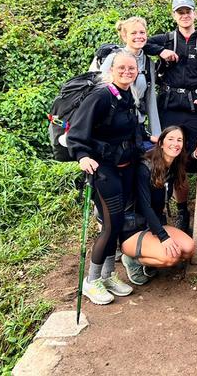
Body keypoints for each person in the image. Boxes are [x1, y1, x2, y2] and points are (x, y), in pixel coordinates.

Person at [66, 50, 146, 305]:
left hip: (124, 166)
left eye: (131, 69)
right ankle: (91, 281)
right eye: (121, 68)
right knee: (110, 224)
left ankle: (108, 275)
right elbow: (77, 132)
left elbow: (131, 131)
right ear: (111, 70)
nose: (127, 72)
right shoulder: (100, 96)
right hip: (103, 169)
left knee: (119, 221)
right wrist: (82, 156)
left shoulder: (127, 96)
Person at [145, 0, 197, 232]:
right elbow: (142, 43)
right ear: (174, 15)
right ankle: (181, 212)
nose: (184, 15)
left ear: (195, 14)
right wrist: (161, 52)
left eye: (188, 11)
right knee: (170, 160)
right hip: (169, 108)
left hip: (196, 108)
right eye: (180, 12)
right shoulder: (167, 39)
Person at [121, 126, 196, 284]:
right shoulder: (145, 167)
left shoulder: (173, 165)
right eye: (171, 139)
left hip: (154, 224)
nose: (175, 143)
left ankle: (149, 253)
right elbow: (145, 207)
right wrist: (163, 237)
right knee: (172, 257)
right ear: (161, 143)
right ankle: (132, 261)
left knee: (189, 248)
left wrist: (196, 154)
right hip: (134, 228)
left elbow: (189, 162)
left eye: (179, 140)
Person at [91, 16, 161, 141]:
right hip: (112, 123)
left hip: (136, 124)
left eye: (142, 32)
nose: (138, 36)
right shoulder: (113, 58)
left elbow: (150, 98)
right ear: (124, 37)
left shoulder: (148, 63)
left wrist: (156, 132)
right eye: (133, 33)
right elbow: (97, 89)